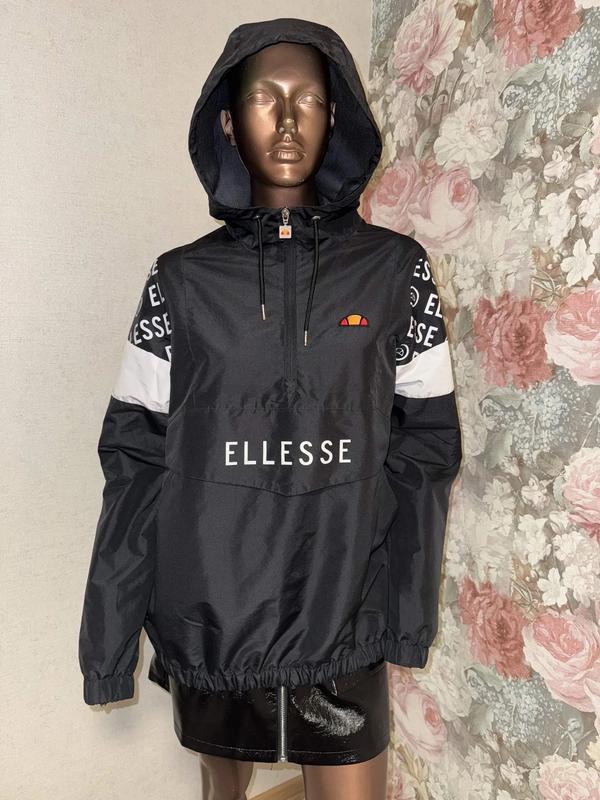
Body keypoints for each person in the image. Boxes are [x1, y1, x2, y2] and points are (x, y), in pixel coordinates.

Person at [78, 17, 463, 800]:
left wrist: (404, 616)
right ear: (227, 121)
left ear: (336, 117)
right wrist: (109, 643)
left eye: (309, 100)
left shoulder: (396, 273)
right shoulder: (180, 284)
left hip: (343, 631)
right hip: (211, 630)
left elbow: (425, 452)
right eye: (264, 99)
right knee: (225, 792)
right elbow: (134, 461)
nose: (287, 121)